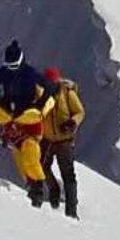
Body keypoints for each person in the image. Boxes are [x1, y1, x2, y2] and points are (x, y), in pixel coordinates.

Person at [0, 40, 57, 206]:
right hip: (12, 115)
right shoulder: (4, 72)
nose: (12, 69)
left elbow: (49, 87)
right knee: (19, 154)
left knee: (30, 151)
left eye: (14, 66)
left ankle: (38, 187)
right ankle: (31, 184)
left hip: (28, 115)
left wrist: (38, 105)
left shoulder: (30, 73)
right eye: (9, 66)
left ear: (21, 61)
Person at [40, 66, 85, 218]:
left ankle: (71, 210)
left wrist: (72, 122)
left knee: (68, 173)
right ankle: (54, 189)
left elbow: (79, 111)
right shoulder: (41, 94)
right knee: (41, 166)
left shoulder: (67, 93)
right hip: (47, 139)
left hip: (64, 140)